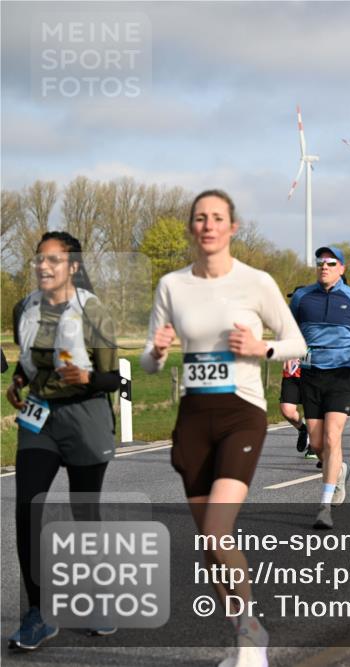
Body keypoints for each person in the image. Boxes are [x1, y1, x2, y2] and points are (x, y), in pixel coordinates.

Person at [141, 191, 306, 667]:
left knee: (217, 532)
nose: (208, 225)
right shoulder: (172, 285)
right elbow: (150, 364)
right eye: (200, 218)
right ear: (192, 228)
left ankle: (254, 636)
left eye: (217, 218)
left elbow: (296, 342)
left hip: (241, 413)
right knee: (209, 549)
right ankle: (242, 638)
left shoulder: (256, 282)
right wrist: (156, 351)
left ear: (233, 227)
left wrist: (263, 348)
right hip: (193, 418)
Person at [7, 231, 119, 651]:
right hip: (39, 419)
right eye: (39, 259)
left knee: (84, 514)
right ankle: (38, 613)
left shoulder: (95, 314)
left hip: (85, 418)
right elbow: (32, 363)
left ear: (73, 267)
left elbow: (115, 379)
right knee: (28, 510)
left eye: (54, 260)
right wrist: (20, 380)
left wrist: (89, 377)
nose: (44, 266)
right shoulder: (25, 308)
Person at [289, 245, 350, 529]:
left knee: (331, 438)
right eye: (320, 263)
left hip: (342, 374)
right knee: (317, 443)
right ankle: (339, 469)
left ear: (342, 268)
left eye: (330, 263)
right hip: (311, 374)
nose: (324, 267)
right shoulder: (303, 297)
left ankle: (324, 505)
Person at [279, 286, 312, 458]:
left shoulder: (313, 320)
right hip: (291, 373)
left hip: (310, 372)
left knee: (312, 411)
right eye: (293, 299)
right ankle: (303, 430)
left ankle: (315, 444)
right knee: (287, 410)